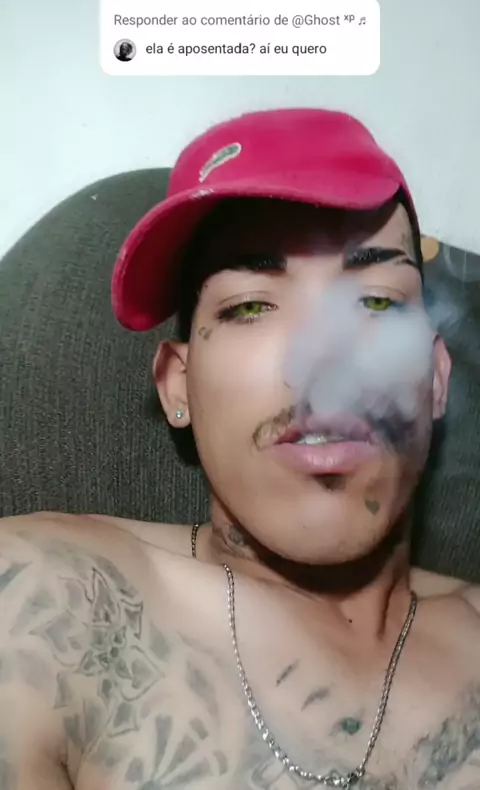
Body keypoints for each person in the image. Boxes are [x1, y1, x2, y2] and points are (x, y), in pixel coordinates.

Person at [1, 108, 479, 790]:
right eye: (250, 306)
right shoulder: (46, 605)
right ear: (178, 384)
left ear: (436, 379)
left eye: (376, 301)